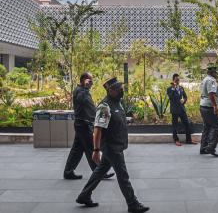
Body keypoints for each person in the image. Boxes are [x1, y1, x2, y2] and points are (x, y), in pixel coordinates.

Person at [76, 77, 149, 213]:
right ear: (110, 91)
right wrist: (96, 150)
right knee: (123, 176)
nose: (121, 91)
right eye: (118, 89)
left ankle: (84, 196)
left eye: (121, 88)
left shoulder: (117, 102)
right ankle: (132, 203)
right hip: (111, 146)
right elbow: (98, 128)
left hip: (116, 144)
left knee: (99, 172)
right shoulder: (105, 106)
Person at [64, 72, 114, 180]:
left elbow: (88, 107)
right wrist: (86, 88)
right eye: (90, 81)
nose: (91, 83)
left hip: (83, 124)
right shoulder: (79, 91)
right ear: (84, 81)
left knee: (76, 150)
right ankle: (100, 173)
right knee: (91, 149)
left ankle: (68, 172)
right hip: (83, 125)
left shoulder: (84, 91)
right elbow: (81, 99)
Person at [199, 66, 218, 157]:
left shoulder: (205, 80)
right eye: (216, 73)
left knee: (207, 127)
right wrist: (215, 105)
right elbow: (211, 93)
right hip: (209, 108)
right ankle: (211, 148)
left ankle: (203, 147)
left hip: (204, 107)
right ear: (213, 73)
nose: (217, 74)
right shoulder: (211, 80)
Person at [167, 73, 197, 146]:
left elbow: (185, 97)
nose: (178, 82)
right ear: (173, 80)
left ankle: (188, 140)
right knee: (175, 125)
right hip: (175, 109)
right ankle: (176, 140)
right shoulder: (169, 89)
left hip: (182, 109)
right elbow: (171, 97)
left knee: (187, 124)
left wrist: (184, 100)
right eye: (176, 80)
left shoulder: (181, 88)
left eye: (179, 80)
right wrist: (173, 88)